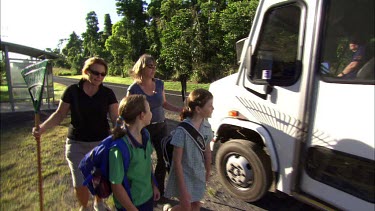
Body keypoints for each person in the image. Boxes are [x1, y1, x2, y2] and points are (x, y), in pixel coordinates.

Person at [32, 57, 118, 211]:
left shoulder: (108, 93)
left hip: (101, 144)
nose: (99, 77)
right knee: (79, 182)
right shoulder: (72, 91)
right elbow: (59, 115)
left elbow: (115, 117)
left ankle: (99, 202)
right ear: (86, 71)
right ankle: (84, 207)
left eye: (102, 74)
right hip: (76, 143)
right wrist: (42, 128)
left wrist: (121, 129)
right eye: (95, 73)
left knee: (100, 179)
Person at [127, 54, 182, 198]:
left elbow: (164, 103)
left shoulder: (159, 83)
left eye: (154, 66)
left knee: (163, 159)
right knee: (145, 160)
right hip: (143, 129)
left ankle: (160, 191)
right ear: (142, 67)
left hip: (161, 126)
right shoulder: (134, 89)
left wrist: (179, 109)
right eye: (150, 66)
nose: (153, 69)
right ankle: (147, 190)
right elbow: (127, 110)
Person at [163, 89, 214, 211]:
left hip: (198, 174)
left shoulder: (207, 126)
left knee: (196, 205)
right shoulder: (182, 131)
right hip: (184, 175)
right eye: (210, 105)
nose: (213, 108)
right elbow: (177, 161)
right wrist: (182, 188)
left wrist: (207, 170)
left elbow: (207, 151)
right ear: (198, 109)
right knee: (186, 207)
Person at [109, 94, 160, 210]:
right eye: (149, 110)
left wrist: (153, 185)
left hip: (147, 197)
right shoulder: (119, 148)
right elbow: (116, 186)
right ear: (142, 115)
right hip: (130, 204)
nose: (151, 113)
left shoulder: (145, 135)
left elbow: (147, 164)